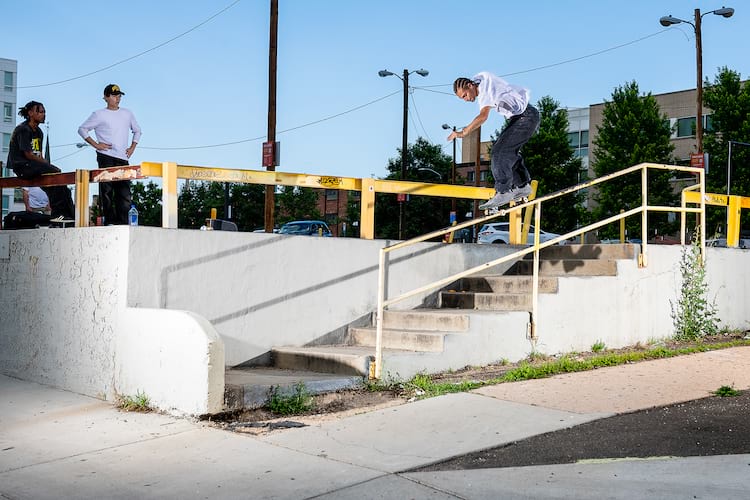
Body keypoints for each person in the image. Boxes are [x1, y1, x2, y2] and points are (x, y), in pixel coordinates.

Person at [447, 72, 540, 210]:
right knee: (507, 151)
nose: (466, 100)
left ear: (470, 85)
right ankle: (522, 186)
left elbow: (483, 116)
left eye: (465, 95)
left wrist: (464, 132)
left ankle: (503, 191)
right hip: (523, 117)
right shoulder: (482, 82)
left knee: (499, 152)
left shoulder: (484, 90)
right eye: (463, 98)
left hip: (525, 118)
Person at [78, 84, 142, 225]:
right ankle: (109, 221)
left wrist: (132, 147)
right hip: (106, 155)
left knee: (124, 191)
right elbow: (82, 129)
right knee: (106, 190)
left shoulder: (127, 113)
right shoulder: (99, 114)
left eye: (119, 96)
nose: (117, 98)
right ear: (106, 97)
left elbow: (137, 130)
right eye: (114, 96)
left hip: (122, 157)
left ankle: (123, 221)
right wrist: (96, 144)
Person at [7, 101, 75, 221]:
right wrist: (49, 167)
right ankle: (57, 213)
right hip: (22, 166)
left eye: (44, 112)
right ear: (31, 113)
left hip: (33, 165)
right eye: (40, 112)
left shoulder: (39, 132)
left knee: (61, 183)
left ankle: (67, 214)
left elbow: (39, 155)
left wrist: (50, 167)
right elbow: (28, 154)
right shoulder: (23, 129)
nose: (44, 114)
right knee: (55, 174)